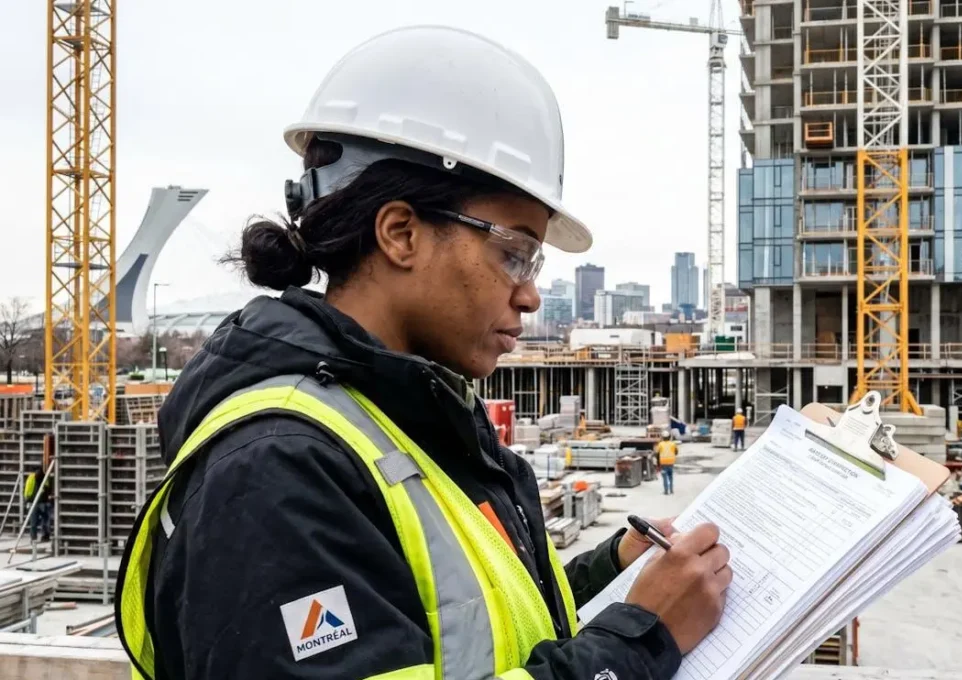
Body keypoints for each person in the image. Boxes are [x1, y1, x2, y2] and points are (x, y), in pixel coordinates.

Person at [113, 26, 733, 680]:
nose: (529, 295)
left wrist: (611, 570)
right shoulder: (276, 473)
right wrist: (640, 641)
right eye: (514, 253)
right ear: (401, 233)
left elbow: (471, 630)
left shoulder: (413, 427)